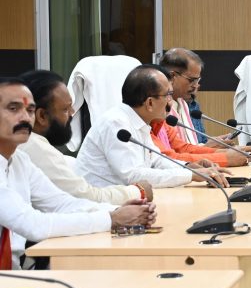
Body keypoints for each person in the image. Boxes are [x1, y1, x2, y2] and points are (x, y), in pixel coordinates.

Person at [0, 77, 155, 270]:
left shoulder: (20, 160)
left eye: (29, 110)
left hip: (14, 276)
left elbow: (63, 203)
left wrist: (118, 211)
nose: (25, 118)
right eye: (13, 109)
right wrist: (112, 219)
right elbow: (33, 225)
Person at [18, 69, 153, 204]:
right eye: (65, 109)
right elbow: (86, 198)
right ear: (41, 116)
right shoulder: (34, 147)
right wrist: (138, 191)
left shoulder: (31, 145)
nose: (72, 113)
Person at [75, 65, 215, 189]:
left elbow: (156, 160)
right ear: (150, 103)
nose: (170, 101)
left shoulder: (139, 121)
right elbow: (133, 176)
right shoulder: (116, 123)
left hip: (125, 200)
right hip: (101, 203)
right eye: (168, 95)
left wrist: (189, 167)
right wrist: (190, 175)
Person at [158, 48, 251, 167]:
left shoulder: (183, 104)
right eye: (192, 80)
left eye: (198, 80)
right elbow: (170, 157)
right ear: (172, 76)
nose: (196, 85)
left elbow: (184, 148)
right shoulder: (160, 110)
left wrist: (227, 153)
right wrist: (225, 157)